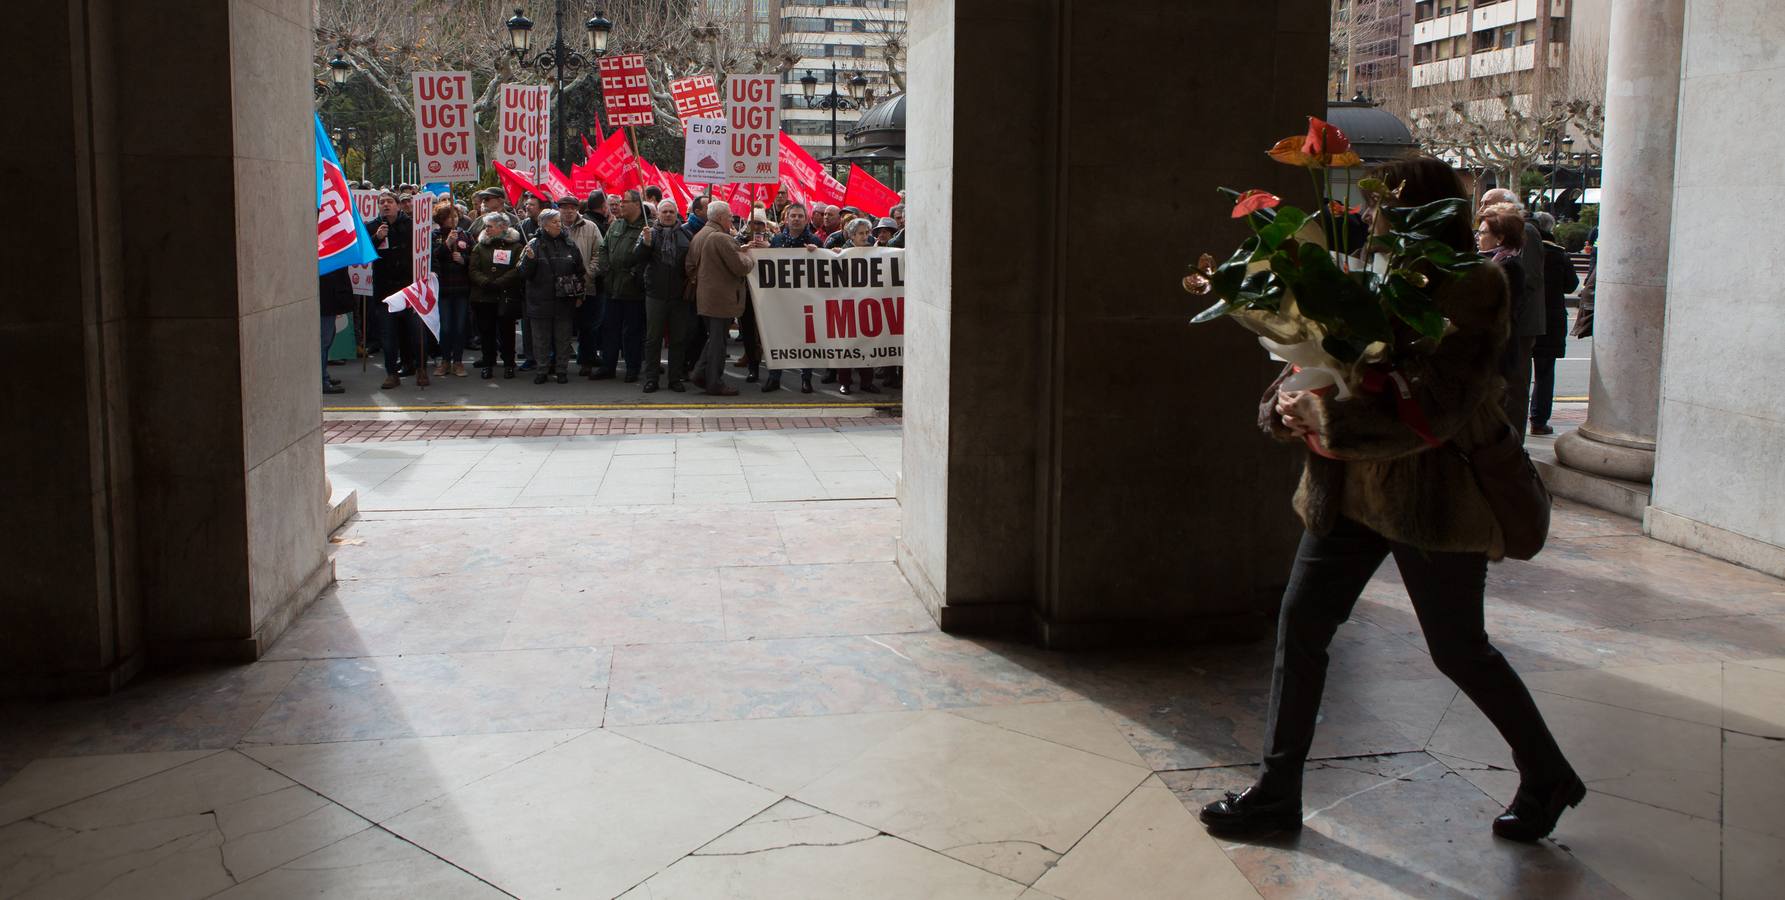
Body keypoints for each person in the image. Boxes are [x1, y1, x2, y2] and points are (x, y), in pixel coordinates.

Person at [1199, 157, 1581, 844]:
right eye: (1375, 206)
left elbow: (1443, 403)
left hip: (1430, 494)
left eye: (1388, 205)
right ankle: (1276, 791)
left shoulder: (1473, 286)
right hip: (1347, 490)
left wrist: (1332, 422)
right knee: (1302, 628)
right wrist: (1285, 406)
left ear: (1427, 214)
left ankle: (1546, 772)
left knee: (1458, 650)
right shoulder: (1367, 277)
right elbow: (1319, 360)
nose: (1373, 216)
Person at [1482, 188, 1546, 434]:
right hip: (1507, 324)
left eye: (1488, 202)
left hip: (1520, 325)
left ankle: (1513, 441)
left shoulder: (1525, 233)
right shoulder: (1492, 251)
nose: (1481, 206)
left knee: (1515, 388)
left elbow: (1528, 279)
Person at [687, 200, 763, 396]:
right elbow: (741, 266)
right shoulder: (720, 238)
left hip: (709, 296)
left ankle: (700, 374)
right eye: (730, 217)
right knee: (718, 343)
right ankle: (714, 381)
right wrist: (747, 257)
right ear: (720, 218)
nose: (732, 220)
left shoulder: (701, 234)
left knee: (715, 340)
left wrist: (738, 251)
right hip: (720, 298)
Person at [517, 208, 585, 384]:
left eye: (559, 222)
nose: (559, 225)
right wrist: (529, 260)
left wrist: (579, 294)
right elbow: (523, 273)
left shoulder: (569, 244)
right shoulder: (532, 245)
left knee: (563, 338)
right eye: (555, 222)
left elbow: (579, 270)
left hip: (564, 300)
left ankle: (562, 370)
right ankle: (542, 370)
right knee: (541, 339)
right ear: (544, 225)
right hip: (540, 300)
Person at [765, 202, 825, 394]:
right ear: (786, 219)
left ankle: (806, 379)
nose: (796, 219)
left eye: (800, 216)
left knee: (805, 340)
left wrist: (818, 254)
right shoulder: (777, 240)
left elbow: (827, 267)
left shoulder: (815, 241)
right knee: (777, 338)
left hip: (806, 301)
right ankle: (774, 378)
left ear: (806, 219)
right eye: (793, 216)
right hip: (781, 300)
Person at [1528, 212, 1579, 435]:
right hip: (1551, 321)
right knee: (1545, 373)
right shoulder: (1559, 255)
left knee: (1518, 370)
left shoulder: (1522, 250)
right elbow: (1571, 286)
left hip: (1525, 318)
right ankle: (1538, 420)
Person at [594, 189, 651, 382]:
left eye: (624, 201)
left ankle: (632, 368)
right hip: (612, 286)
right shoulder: (616, 225)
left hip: (633, 289)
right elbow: (603, 248)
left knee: (632, 332)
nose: (621, 205)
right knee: (610, 329)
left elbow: (646, 258)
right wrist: (604, 268)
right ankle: (607, 366)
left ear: (637, 204)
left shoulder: (647, 228)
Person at [368, 191, 422, 388]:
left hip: (409, 289)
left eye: (389, 201)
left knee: (415, 334)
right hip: (385, 291)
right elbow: (366, 254)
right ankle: (391, 373)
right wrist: (377, 238)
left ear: (398, 205)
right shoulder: (373, 227)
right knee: (388, 337)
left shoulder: (411, 225)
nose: (385, 205)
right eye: (382, 202)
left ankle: (420, 368)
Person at [641, 199, 694, 393]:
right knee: (653, 339)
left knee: (678, 340)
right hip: (655, 294)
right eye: (665, 212)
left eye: (672, 211)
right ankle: (651, 379)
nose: (668, 215)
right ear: (658, 214)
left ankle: (675, 379)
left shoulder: (686, 234)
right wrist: (645, 244)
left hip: (679, 297)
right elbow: (637, 259)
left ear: (677, 213)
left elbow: (692, 263)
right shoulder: (649, 234)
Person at [467, 213, 526, 379]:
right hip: (484, 296)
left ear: (503, 227)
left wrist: (499, 282)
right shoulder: (479, 247)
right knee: (486, 332)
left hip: (505, 296)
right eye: (486, 226)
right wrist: (486, 282)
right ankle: (488, 362)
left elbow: (517, 269)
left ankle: (509, 363)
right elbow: (473, 269)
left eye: (490, 226)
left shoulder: (515, 247)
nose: (487, 229)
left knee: (507, 332)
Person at [554, 196, 604, 377]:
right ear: (558, 209)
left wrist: (588, 274)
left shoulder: (590, 227)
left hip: (586, 285)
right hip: (560, 288)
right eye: (564, 207)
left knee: (588, 327)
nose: (568, 211)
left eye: (571, 207)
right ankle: (558, 363)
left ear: (577, 209)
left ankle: (586, 361)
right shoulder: (553, 227)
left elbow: (600, 252)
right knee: (561, 327)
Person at [430, 201, 473, 377]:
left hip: (461, 288)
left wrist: (464, 260)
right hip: (443, 289)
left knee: (460, 327)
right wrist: (447, 244)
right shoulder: (434, 235)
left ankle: (458, 361)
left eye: (455, 216)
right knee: (445, 327)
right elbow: (433, 257)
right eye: (449, 217)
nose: (453, 219)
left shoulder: (466, 235)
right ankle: (445, 360)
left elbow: (474, 258)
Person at [319, 268, 353, 395]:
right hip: (327, 298)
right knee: (324, 341)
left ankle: (323, 376)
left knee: (327, 339)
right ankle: (322, 380)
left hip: (330, 298)